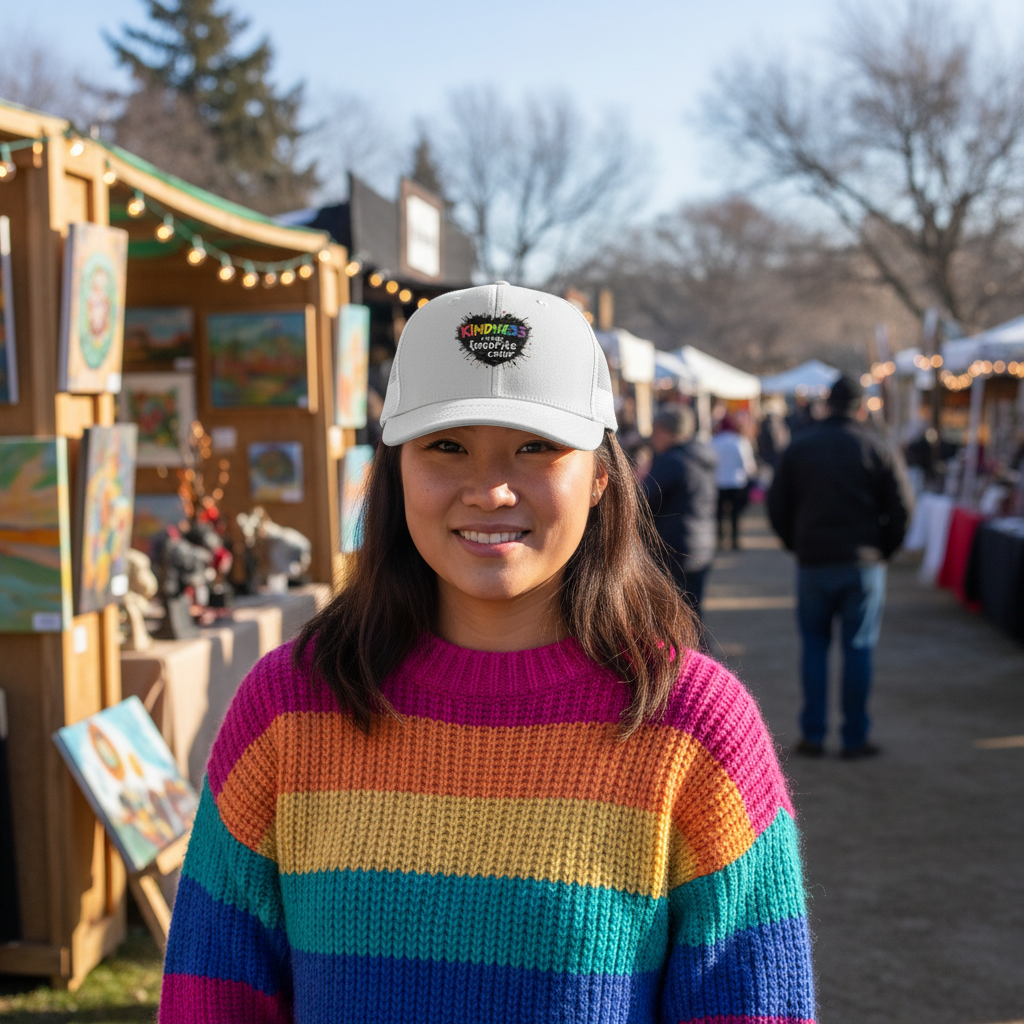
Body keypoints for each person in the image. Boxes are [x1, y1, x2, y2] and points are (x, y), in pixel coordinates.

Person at [160, 283, 815, 1024]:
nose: (491, 489)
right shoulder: (286, 709)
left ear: (601, 476)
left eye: (536, 447)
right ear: (394, 471)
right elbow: (208, 999)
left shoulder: (696, 727)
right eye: (447, 446)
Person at [768, 375, 912, 760]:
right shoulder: (875, 446)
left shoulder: (801, 446)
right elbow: (901, 508)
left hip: (815, 562)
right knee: (858, 648)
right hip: (861, 565)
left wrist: (796, 544)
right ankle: (853, 737)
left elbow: (776, 504)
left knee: (815, 647)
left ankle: (814, 734)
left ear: (827, 403)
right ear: (861, 406)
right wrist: (882, 551)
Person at [640, 404, 718, 621]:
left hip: (676, 548)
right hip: (701, 544)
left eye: (655, 432)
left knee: (679, 618)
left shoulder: (672, 462)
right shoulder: (701, 455)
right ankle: (699, 653)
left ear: (666, 432)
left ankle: (692, 655)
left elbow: (643, 501)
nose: (653, 439)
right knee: (692, 613)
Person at [712, 415, 758, 549]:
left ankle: (719, 540)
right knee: (735, 514)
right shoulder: (740, 441)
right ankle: (734, 541)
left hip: (718, 482)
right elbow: (747, 464)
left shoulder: (713, 441)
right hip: (736, 482)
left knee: (719, 514)